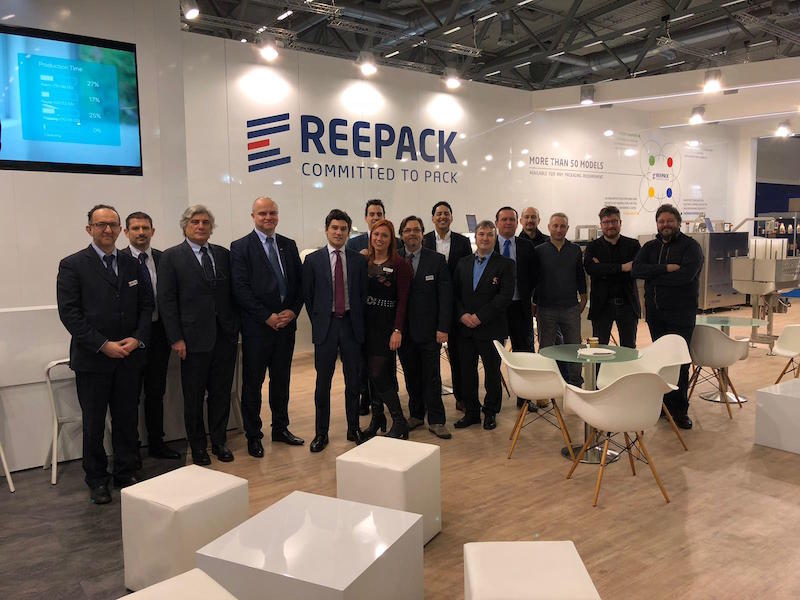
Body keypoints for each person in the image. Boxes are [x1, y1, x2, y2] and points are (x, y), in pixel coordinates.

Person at [56, 204, 153, 504]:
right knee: (94, 423)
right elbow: (70, 314)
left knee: (126, 419)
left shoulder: (132, 263)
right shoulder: (72, 265)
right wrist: (103, 344)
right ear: (90, 229)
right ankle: (97, 479)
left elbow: (146, 306)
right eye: (101, 224)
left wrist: (137, 339)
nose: (107, 229)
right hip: (93, 360)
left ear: (119, 229)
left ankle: (125, 471)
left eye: (112, 224)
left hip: (128, 358)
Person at [158, 205, 240, 465]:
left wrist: (235, 328)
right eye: (195, 221)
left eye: (205, 222)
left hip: (224, 337)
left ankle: (219, 442)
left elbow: (232, 294)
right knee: (193, 397)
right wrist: (176, 338)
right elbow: (167, 301)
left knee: (221, 393)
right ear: (186, 226)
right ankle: (198, 447)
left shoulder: (223, 254)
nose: (201, 226)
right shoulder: (171, 257)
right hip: (192, 341)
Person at [230, 197, 304, 459]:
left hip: (286, 327)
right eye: (263, 213)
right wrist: (266, 317)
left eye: (273, 213)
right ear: (253, 216)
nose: (268, 217)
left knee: (281, 381)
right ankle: (254, 435)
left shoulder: (288, 245)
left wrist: (293, 311)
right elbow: (240, 289)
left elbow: (300, 285)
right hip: (257, 330)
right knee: (253, 384)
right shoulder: (240, 247)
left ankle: (280, 428)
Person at [303, 209, 369, 451]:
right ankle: (321, 433)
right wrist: (321, 321)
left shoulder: (358, 261)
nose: (339, 232)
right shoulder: (313, 260)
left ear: (349, 232)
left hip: (351, 326)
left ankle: (354, 428)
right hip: (326, 328)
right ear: (326, 230)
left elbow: (362, 294)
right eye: (334, 228)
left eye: (343, 229)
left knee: (354, 381)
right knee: (323, 384)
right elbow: (308, 296)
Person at [633, 204, 703, 430]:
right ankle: (663, 405)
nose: (665, 225)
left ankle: (680, 410)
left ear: (678, 223)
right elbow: (636, 270)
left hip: (681, 313)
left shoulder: (691, 247)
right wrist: (665, 269)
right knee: (661, 360)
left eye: (669, 221)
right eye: (661, 221)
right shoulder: (650, 247)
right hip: (655, 314)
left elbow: (685, 277)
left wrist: (653, 276)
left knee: (680, 361)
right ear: (657, 224)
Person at [120, 212, 180, 460]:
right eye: (135, 228)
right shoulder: (120, 260)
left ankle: (157, 442)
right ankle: (132, 449)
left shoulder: (164, 259)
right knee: (130, 396)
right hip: (131, 337)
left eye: (145, 228)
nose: (141, 232)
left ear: (153, 231)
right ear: (126, 232)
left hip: (159, 334)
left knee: (156, 392)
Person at [452, 220, 515, 430]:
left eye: (489, 234)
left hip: (491, 328)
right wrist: (462, 315)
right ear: (475, 237)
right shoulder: (463, 263)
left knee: (492, 373)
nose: (485, 238)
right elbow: (455, 294)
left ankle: (490, 412)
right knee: (467, 373)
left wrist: (479, 317)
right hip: (465, 329)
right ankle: (471, 412)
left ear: (495, 238)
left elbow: (504, 296)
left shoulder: (506, 264)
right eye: (481, 234)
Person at [397, 216, 452, 439]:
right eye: (408, 230)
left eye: (416, 230)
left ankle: (437, 420)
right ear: (401, 234)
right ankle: (416, 415)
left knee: (432, 377)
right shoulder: (394, 259)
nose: (412, 233)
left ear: (422, 233)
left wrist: (443, 327)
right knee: (411, 375)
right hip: (403, 332)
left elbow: (445, 297)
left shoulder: (436, 260)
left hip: (430, 332)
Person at [346, 198, 400, 415]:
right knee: (364, 365)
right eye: (372, 214)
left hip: (387, 320)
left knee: (383, 368)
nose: (375, 218)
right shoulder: (354, 244)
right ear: (365, 217)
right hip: (364, 318)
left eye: (379, 214)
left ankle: (391, 411)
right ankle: (368, 403)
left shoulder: (396, 245)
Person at [362, 219, 413, 439]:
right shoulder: (364, 261)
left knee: (379, 374)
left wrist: (397, 330)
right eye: (376, 234)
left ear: (391, 239)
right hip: (366, 326)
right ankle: (377, 418)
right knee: (370, 375)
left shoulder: (400, 264)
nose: (379, 239)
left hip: (387, 328)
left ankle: (399, 422)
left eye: (384, 235)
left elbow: (403, 301)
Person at [422, 201, 472, 412]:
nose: (442, 217)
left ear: (451, 217)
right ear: (433, 218)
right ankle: (430, 401)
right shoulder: (424, 240)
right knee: (430, 358)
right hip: (432, 307)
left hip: (457, 305)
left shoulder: (462, 241)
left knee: (458, 356)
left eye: (446, 213)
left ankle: (462, 397)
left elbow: (467, 271)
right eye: (439, 213)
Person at [534, 213, 587, 387]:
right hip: (546, 308)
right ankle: (546, 385)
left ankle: (575, 384)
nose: (558, 229)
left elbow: (580, 275)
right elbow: (535, 279)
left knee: (574, 348)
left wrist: (584, 296)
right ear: (549, 227)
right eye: (555, 226)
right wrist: (534, 302)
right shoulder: (539, 251)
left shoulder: (575, 250)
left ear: (567, 228)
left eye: (562, 226)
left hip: (570, 307)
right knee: (546, 349)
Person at [494, 206, 537, 410]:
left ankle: (525, 398)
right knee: (494, 356)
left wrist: (533, 300)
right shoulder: (489, 245)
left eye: (512, 219)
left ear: (517, 222)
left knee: (524, 355)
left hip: (520, 307)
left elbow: (535, 276)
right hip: (496, 311)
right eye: (504, 219)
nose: (508, 223)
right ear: (497, 223)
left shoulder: (526, 246)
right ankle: (493, 404)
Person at [583, 206, 642, 349]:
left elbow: (636, 270)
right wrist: (622, 267)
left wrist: (603, 269)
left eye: (614, 221)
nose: (610, 225)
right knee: (598, 349)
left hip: (628, 304)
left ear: (620, 222)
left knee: (629, 349)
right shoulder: (593, 247)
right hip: (601, 306)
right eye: (606, 222)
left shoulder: (633, 245)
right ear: (601, 224)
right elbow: (591, 269)